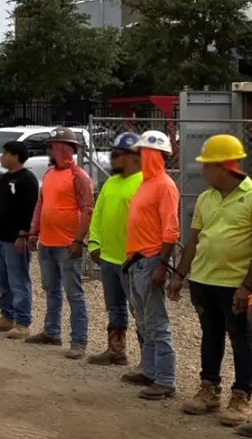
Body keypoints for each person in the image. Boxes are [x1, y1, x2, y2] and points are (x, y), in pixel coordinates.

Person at [167, 135, 252, 425]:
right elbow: (194, 240)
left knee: (241, 338)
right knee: (211, 335)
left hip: (235, 284)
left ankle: (242, 395)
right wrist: (180, 275)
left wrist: (247, 286)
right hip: (204, 281)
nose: (202, 171)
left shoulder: (251, 196)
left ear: (224, 166)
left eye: (207, 166)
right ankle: (209, 389)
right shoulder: (205, 197)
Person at [26, 128, 94, 359]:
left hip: (67, 244)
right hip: (47, 242)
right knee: (51, 289)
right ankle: (52, 331)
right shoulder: (49, 174)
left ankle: (79, 341)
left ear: (68, 148)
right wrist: (34, 232)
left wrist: (78, 240)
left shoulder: (79, 177)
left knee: (73, 292)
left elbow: (87, 210)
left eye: (56, 145)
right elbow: (40, 204)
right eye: (52, 145)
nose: (53, 149)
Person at [122, 129, 180, 401]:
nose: (139, 157)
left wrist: (161, 265)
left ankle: (166, 379)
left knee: (157, 322)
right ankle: (150, 370)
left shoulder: (165, 186)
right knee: (144, 321)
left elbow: (171, 230)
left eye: (144, 153)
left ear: (158, 156)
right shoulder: (145, 184)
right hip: (137, 261)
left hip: (151, 260)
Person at [87, 133, 143, 367]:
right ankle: (116, 350)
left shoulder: (143, 183)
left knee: (139, 310)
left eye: (118, 154)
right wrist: (93, 243)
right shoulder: (110, 183)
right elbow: (98, 215)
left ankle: (148, 361)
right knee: (115, 307)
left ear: (134, 157)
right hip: (108, 257)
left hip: (131, 260)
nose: (112, 158)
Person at [0, 141, 39, 338]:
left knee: (18, 279)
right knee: (2, 279)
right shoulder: (5, 178)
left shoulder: (27, 180)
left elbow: (30, 210)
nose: (2, 157)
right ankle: (7, 316)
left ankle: (23, 321)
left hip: (15, 238)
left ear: (16, 156)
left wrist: (23, 234)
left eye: (6, 153)